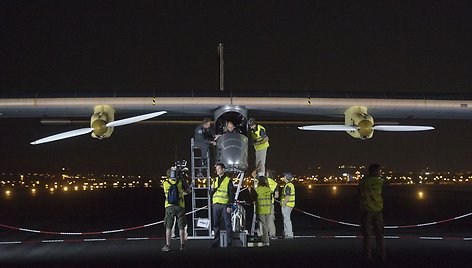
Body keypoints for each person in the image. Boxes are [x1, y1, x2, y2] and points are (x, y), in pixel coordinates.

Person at [359, 164, 386, 263]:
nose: (380, 173)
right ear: (375, 171)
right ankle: (382, 255)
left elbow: (359, 194)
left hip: (366, 211)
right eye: (379, 171)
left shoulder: (363, 182)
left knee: (367, 236)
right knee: (380, 235)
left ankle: (367, 256)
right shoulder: (379, 181)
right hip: (378, 211)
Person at [161, 168, 191, 252]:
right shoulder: (181, 182)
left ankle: (167, 245)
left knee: (168, 226)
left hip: (169, 207)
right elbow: (188, 190)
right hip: (180, 206)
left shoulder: (165, 183)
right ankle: (182, 245)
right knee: (181, 226)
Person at [210, 163, 235, 248]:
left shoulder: (228, 180)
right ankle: (216, 242)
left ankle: (229, 243)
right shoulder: (215, 180)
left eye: (219, 169)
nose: (217, 171)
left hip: (224, 205)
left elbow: (231, 194)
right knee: (216, 224)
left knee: (228, 224)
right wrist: (213, 190)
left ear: (223, 169)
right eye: (216, 169)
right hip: (216, 204)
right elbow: (211, 193)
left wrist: (229, 205)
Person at [249, 175, 272, 246]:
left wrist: (250, 191)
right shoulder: (268, 190)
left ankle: (266, 241)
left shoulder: (257, 190)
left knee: (264, 225)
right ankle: (266, 239)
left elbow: (253, 198)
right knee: (266, 225)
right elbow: (271, 198)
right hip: (268, 209)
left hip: (261, 209)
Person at [281, 172, 295, 239]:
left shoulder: (288, 186)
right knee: (286, 219)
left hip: (287, 205)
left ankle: (289, 234)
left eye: (284, 176)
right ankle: (286, 233)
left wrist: (283, 204)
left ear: (286, 177)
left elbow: (287, 196)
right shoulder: (290, 185)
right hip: (290, 204)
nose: (283, 178)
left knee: (286, 219)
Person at [266, 169, 279, 239]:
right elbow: (277, 196)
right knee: (271, 219)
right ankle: (272, 234)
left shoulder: (263, 181)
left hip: (263, 203)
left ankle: (263, 233)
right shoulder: (275, 184)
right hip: (271, 203)